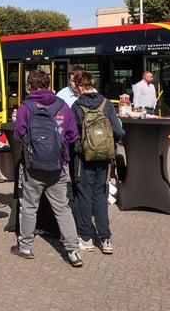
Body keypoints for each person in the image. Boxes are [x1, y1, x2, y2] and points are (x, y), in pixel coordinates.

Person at [11, 69, 84, 268]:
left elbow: (18, 135)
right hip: (57, 167)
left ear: (30, 86)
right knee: (62, 207)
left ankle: (25, 247)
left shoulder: (26, 107)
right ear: (49, 83)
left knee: (29, 206)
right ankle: (73, 250)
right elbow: (72, 135)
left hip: (33, 166)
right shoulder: (62, 105)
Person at [70, 70, 125, 255]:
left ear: (78, 86)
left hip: (82, 159)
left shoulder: (77, 106)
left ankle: (86, 238)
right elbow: (119, 132)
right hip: (104, 159)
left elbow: (71, 135)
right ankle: (105, 238)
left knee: (83, 196)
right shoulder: (106, 104)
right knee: (100, 196)